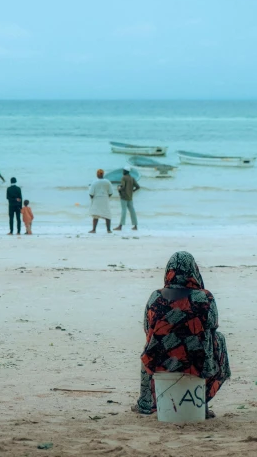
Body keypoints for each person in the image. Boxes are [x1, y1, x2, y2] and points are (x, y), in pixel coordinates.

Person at [135, 251, 230, 419]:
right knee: (218, 339)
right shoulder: (204, 297)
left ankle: (145, 402)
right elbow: (212, 327)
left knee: (150, 345)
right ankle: (202, 404)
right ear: (193, 271)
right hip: (196, 363)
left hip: (159, 362)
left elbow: (147, 328)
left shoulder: (155, 297)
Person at [113, 166, 140, 231]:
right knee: (132, 211)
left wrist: (118, 189)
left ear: (125, 171)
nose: (123, 172)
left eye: (123, 171)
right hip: (130, 197)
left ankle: (120, 226)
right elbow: (138, 187)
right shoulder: (132, 178)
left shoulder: (124, 178)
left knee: (124, 211)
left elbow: (123, 186)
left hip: (124, 197)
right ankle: (135, 226)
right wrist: (133, 191)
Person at [88, 169, 114, 233]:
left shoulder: (94, 182)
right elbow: (110, 193)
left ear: (97, 174)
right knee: (107, 214)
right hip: (105, 200)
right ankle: (108, 230)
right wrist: (106, 197)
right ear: (103, 174)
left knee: (96, 215)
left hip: (97, 200)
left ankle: (94, 229)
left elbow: (91, 194)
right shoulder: (107, 182)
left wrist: (93, 198)